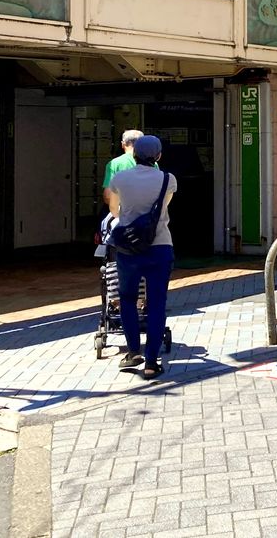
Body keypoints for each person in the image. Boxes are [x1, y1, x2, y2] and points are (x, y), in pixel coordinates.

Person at [108, 135, 176, 380]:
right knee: (156, 302)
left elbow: (114, 209)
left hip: (128, 249)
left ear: (133, 154)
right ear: (158, 156)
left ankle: (133, 351)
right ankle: (151, 362)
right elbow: (163, 208)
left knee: (127, 300)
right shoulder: (168, 179)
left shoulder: (120, 178)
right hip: (159, 246)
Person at [102, 129, 144, 204]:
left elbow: (108, 196)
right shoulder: (152, 163)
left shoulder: (114, 163)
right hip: (147, 211)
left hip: (124, 211)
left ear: (123, 144)